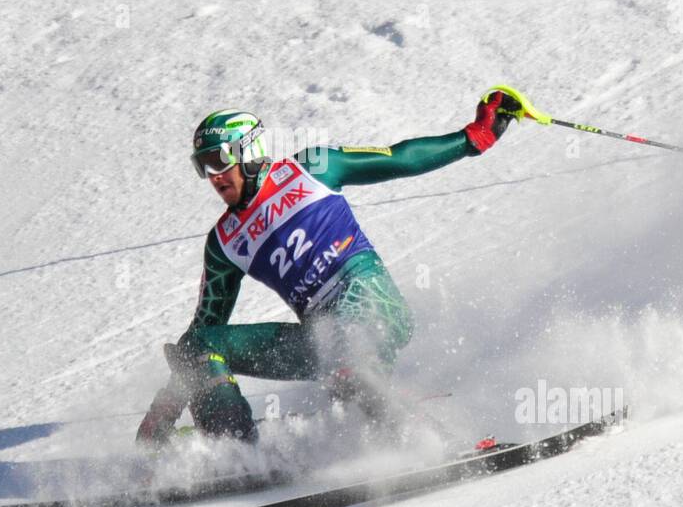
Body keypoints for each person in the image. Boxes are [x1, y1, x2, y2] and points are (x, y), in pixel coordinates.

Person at [135, 87, 525, 445]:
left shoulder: (312, 168)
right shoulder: (223, 242)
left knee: (347, 360)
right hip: (321, 336)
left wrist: (472, 138)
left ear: (249, 152)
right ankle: (236, 452)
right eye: (202, 166)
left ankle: (438, 442)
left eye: (219, 160)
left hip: (371, 304)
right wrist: (163, 411)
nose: (213, 176)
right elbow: (203, 332)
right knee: (199, 347)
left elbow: (400, 158)